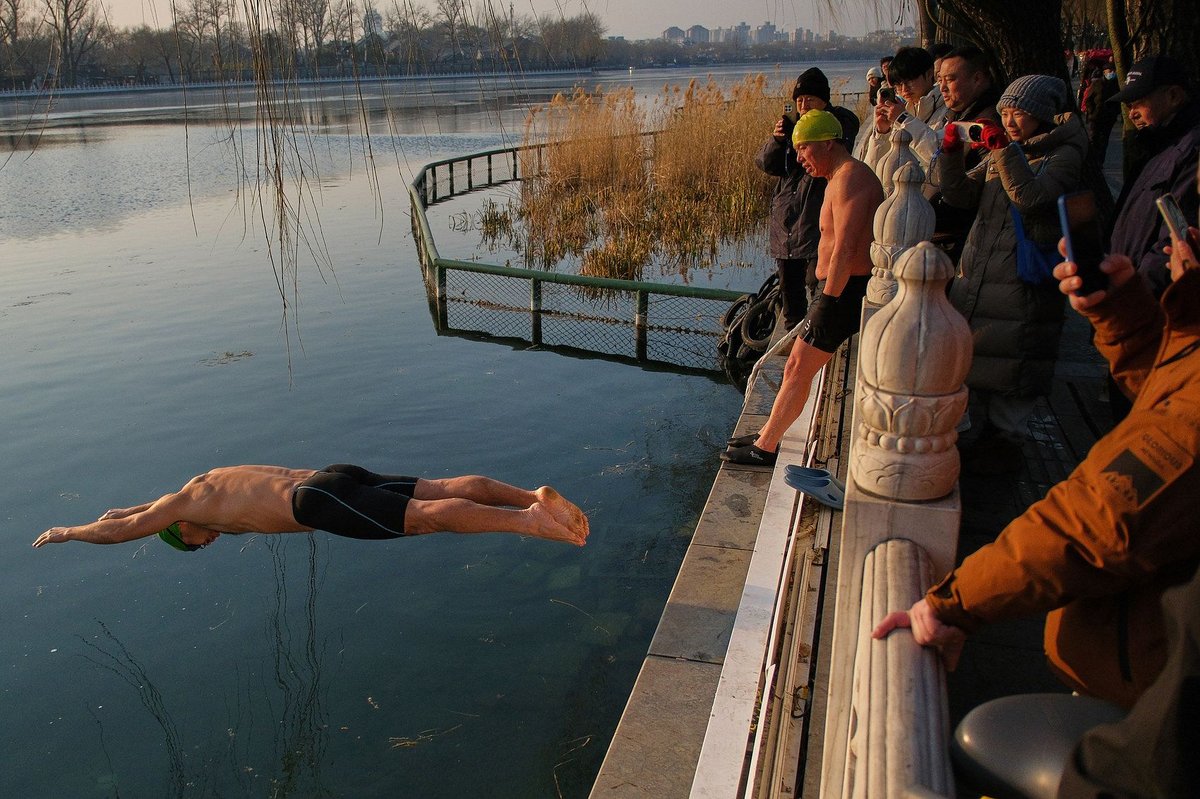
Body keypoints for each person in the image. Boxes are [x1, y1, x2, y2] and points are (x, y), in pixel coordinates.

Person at [871, 224, 1200, 711]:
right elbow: (1167, 393)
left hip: (1154, 688)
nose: (1182, 238)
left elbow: (1097, 519)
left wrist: (955, 604)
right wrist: (1125, 316)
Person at [936, 75, 1086, 474]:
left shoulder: (1065, 154)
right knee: (975, 370)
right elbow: (960, 196)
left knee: (1012, 375)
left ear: (1043, 114)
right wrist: (950, 152)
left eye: (1018, 112)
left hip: (1022, 285)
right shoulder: (1007, 150)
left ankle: (1001, 474)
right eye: (1004, 113)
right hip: (982, 274)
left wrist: (1002, 150)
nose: (1010, 120)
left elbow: (1031, 198)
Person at [724, 110, 883, 466]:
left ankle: (765, 447)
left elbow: (844, 247)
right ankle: (768, 436)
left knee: (797, 365)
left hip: (843, 292)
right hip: (837, 288)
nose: (799, 158)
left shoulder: (850, 180)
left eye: (804, 148)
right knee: (797, 363)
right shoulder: (841, 176)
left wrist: (828, 300)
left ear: (828, 143)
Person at [32, 464, 590, 550]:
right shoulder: (200, 487)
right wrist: (114, 511)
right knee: (439, 487)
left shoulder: (183, 509)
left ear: (181, 529)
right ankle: (530, 496)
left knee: (422, 519)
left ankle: (527, 520)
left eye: (192, 546)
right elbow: (136, 511)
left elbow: (130, 528)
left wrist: (73, 533)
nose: (207, 545)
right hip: (329, 475)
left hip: (314, 503)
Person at [755, 68, 861, 333]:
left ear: (825, 100)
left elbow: (845, 140)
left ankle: (817, 334)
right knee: (789, 287)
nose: (803, 106)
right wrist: (779, 140)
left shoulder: (838, 122)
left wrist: (814, 128)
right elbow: (767, 164)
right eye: (799, 101)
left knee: (818, 278)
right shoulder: (794, 129)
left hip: (815, 217)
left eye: (810, 100)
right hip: (786, 218)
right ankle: (792, 334)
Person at [931, 45, 1002, 262]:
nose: (942, 87)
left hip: (967, 238)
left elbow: (972, 190)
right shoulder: (958, 113)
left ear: (977, 78)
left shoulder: (987, 123)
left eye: (950, 79)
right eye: (940, 79)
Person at [860, 46, 950, 187]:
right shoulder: (900, 112)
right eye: (898, 85)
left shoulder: (947, 109)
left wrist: (903, 119)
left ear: (929, 74)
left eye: (909, 81)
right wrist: (882, 133)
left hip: (928, 198)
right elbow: (870, 171)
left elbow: (941, 158)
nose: (904, 89)